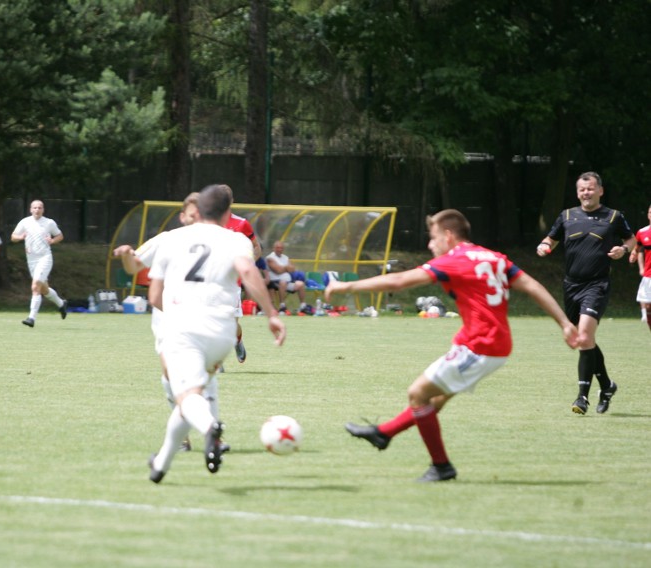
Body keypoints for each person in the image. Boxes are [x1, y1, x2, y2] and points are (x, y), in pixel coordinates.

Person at [329, 209, 578, 482]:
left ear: (448, 236)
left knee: (417, 393)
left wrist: (344, 288)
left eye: (433, 237)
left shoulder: (455, 260)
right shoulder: (494, 257)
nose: (429, 244)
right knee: (432, 401)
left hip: (481, 346)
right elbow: (533, 286)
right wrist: (565, 323)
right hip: (490, 343)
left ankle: (441, 466)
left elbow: (398, 281)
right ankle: (384, 433)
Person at [146, 184, 285, 483]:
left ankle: (210, 429)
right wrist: (271, 314)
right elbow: (249, 274)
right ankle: (161, 464)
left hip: (185, 327)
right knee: (193, 397)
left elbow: (154, 294)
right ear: (226, 212)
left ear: (197, 210)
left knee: (187, 399)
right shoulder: (236, 239)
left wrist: (175, 319)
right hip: (222, 331)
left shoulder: (172, 239)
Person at [113, 193, 229, 453]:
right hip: (168, 318)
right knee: (170, 375)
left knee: (205, 375)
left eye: (200, 212)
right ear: (183, 216)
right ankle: (185, 438)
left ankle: (213, 435)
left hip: (201, 318)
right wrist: (127, 254)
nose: (196, 217)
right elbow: (134, 267)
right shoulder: (167, 240)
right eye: (191, 213)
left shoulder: (217, 242)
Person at [537, 172, 636, 414]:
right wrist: (544, 246)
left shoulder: (613, 216)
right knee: (586, 340)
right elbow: (550, 239)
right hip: (571, 286)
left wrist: (623, 249)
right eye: (582, 189)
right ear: (577, 192)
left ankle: (582, 397)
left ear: (600, 190)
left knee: (583, 337)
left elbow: (631, 239)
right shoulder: (567, 216)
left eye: (590, 189)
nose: (586, 193)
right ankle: (607, 385)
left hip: (597, 285)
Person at [10, 199, 68, 327]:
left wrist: (52, 241)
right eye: (35, 208)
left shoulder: (49, 223)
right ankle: (61, 304)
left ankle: (31, 318)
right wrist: (20, 237)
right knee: (44, 290)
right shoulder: (25, 222)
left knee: (35, 286)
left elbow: (60, 236)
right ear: (31, 209)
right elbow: (13, 236)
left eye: (40, 208)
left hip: (45, 258)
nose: (37, 210)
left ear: (43, 210)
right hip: (32, 260)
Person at [221, 185, 262, 364]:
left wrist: (247, 267)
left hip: (233, 282)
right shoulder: (207, 224)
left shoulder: (241, 223)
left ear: (231, 202)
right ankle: (217, 361)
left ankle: (237, 340)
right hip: (211, 282)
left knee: (230, 324)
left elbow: (256, 248)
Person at [267, 240, 308, 313]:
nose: (279, 249)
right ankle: (282, 305)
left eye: (281, 248)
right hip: (274, 282)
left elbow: (292, 269)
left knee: (300, 284)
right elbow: (278, 270)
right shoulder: (270, 258)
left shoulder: (285, 257)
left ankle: (303, 306)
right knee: (283, 282)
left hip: (288, 281)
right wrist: (286, 268)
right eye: (278, 248)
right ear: (274, 248)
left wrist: (283, 268)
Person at [628, 203, 651, 331]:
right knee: (647, 306)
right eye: (650, 212)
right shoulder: (642, 232)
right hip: (649, 275)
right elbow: (638, 248)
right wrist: (633, 254)